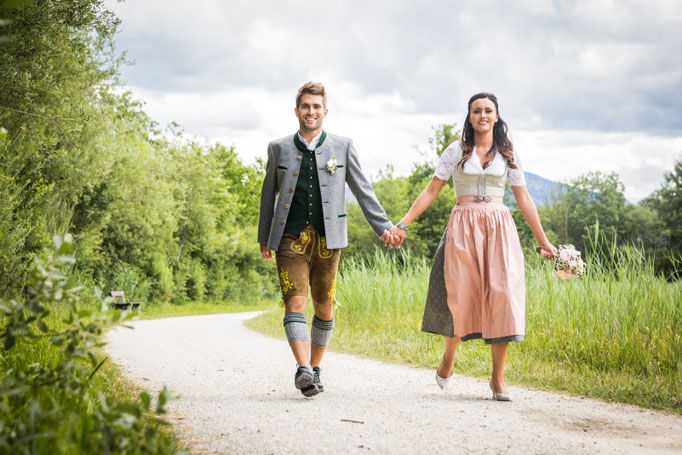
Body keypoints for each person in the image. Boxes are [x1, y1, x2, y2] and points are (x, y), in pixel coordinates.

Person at [389, 92, 556, 401]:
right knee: (461, 294)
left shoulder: (508, 153)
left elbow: (523, 198)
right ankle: (448, 359)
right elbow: (431, 190)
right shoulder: (456, 150)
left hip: (498, 227)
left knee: (503, 296)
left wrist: (543, 241)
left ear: (496, 116)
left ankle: (497, 379)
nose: (482, 115)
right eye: (476, 110)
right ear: (469, 116)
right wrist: (403, 224)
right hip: (463, 226)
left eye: (488, 110)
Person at [258, 81, 396, 397]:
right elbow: (268, 195)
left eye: (316, 106)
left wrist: (384, 227)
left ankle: (315, 366)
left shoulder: (342, 146)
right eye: (306, 106)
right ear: (297, 110)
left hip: (329, 241)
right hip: (289, 238)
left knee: (323, 307)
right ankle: (303, 368)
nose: (311, 111)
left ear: (325, 111)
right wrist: (264, 236)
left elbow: (363, 189)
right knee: (295, 301)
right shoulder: (278, 147)